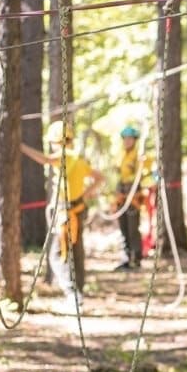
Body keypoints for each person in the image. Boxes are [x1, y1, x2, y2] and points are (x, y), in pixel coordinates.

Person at [20, 119, 102, 304]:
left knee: (57, 253)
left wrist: (21, 147)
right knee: (76, 250)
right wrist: (85, 194)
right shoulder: (79, 159)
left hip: (66, 212)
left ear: (56, 141)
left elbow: (45, 160)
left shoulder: (64, 156)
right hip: (78, 208)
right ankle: (78, 290)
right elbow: (99, 177)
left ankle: (72, 293)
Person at [112, 124, 149, 271]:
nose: (127, 141)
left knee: (133, 228)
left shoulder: (139, 156)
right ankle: (126, 258)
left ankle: (136, 258)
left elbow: (145, 175)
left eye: (130, 139)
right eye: (125, 139)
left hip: (133, 195)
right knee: (123, 228)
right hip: (121, 195)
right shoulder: (121, 155)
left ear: (134, 140)